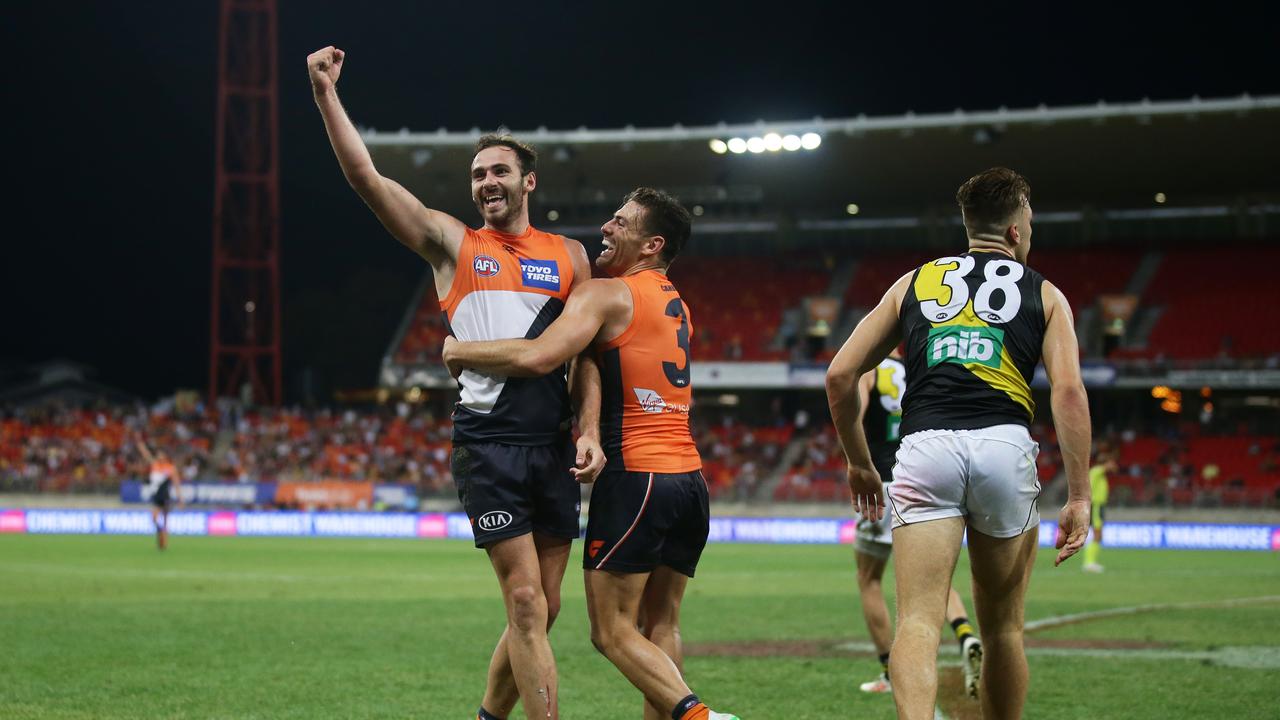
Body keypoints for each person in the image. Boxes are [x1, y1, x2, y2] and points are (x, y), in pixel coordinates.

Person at [307, 47, 603, 720]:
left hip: (553, 445)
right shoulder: (452, 243)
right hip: (488, 443)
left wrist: (588, 426)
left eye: (499, 171)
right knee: (525, 603)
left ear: (530, 182)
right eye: (476, 175)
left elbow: (586, 357)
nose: (485, 182)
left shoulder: (572, 257)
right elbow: (367, 179)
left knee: (546, 607)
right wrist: (326, 95)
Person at [444, 188, 737, 720]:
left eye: (621, 223)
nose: (605, 227)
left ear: (652, 244)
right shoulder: (678, 304)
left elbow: (539, 356)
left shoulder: (607, 294)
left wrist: (457, 350)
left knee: (611, 632)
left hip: (637, 477)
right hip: (690, 480)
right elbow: (603, 360)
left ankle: (699, 716)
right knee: (662, 625)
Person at [825, 167, 1092, 720]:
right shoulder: (1045, 294)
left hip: (925, 448)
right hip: (1003, 446)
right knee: (1003, 630)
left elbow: (839, 375)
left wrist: (859, 464)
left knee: (918, 620)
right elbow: (1067, 392)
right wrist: (1080, 495)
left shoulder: (913, 283)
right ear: (1016, 231)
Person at [850, 351, 983, 699]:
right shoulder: (928, 365)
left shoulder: (873, 368)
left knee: (869, 580)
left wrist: (856, 464)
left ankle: (887, 671)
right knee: (932, 578)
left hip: (883, 479)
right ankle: (965, 631)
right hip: (925, 477)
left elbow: (854, 414)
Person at [136, 433, 181, 550]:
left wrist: (180, 498)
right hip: (156, 496)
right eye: (159, 455)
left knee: (165, 520)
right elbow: (146, 455)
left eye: (162, 455)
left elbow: (176, 484)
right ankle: (160, 533)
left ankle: (164, 543)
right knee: (154, 518)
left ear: (166, 456)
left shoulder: (170, 468)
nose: (160, 456)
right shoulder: (155, 465)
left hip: (165, 496)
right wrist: (140, 444)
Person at [1083, 453, 1114, 572]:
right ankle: (1089, 563)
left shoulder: (1098, 473)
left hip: (1098, 506)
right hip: (1096, 506)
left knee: (1098, 535)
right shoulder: (1096, 470)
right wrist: (1109, 464)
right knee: (1097, 535)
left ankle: (1090, 562)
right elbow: (1109, 467)